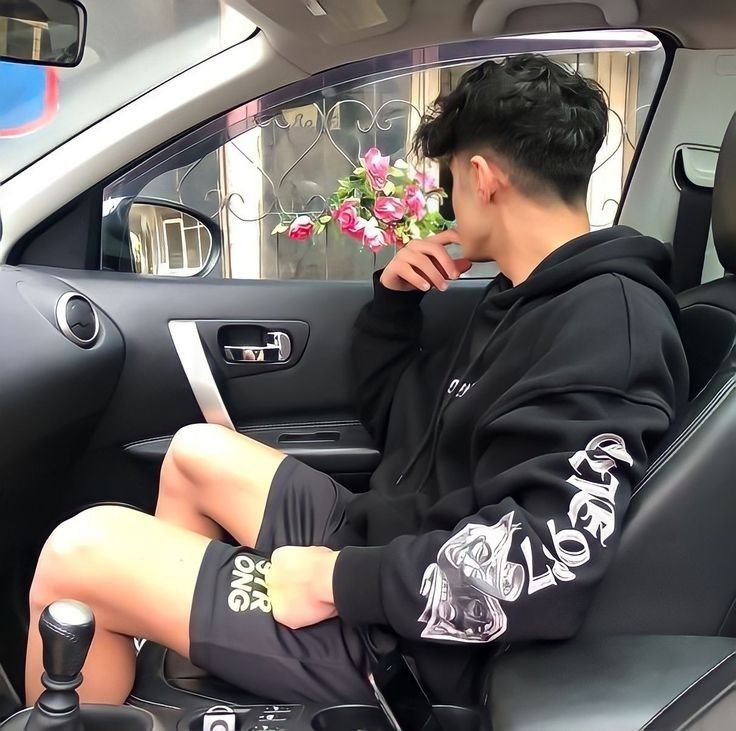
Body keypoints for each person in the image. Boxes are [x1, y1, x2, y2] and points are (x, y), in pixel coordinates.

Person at [25, 54, 688, 708]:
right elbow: (407, 425)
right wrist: (395, 305)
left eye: (450, 182)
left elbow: (545, 560)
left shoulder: (609, 323)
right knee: (197, 451)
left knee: (76, 557)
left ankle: (165, 624)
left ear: (483, 178)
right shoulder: (522, 296)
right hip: (389, 548)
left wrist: (336, 579)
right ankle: (189, 669)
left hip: (409, 642)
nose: (447, 204)